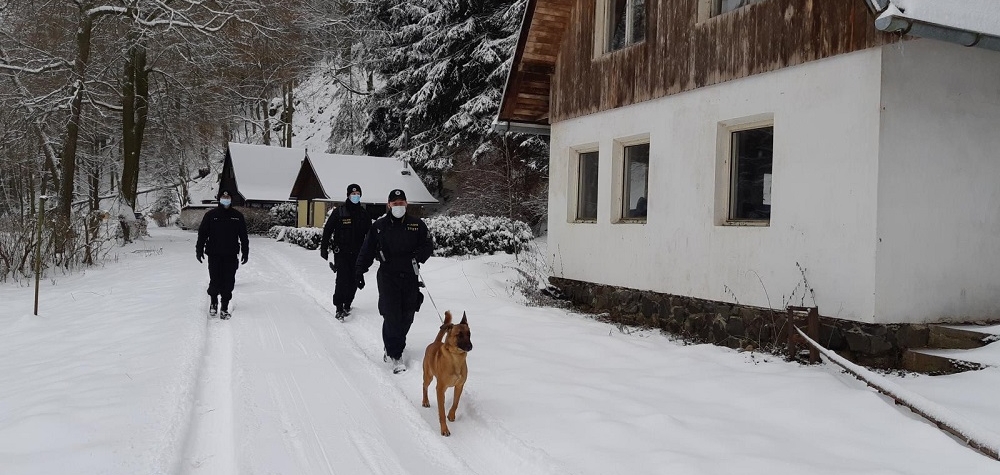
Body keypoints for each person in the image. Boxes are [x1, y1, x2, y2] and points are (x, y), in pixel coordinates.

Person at [355, 188, 434, 374]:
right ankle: (394, 353)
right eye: (395, 203)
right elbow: (367, 249)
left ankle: (394, 343)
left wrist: (418, 257)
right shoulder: (379, 226)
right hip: (388, 276)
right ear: (389, 205)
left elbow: (428, 244)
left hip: (410, 276)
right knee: (391, 315)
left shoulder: (417, 224)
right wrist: (359, 270)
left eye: (401, 203)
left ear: (406, 204)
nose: (398, 206)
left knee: (407, 315)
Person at [320, 183, 373, 320]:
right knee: (342, 279)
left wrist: (373, 251)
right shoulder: (339, 212)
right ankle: (339, 307)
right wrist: (324, 248)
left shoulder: (363, 214)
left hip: (358, 253)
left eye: (357, 194)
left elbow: (371, 235)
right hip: (342, 253)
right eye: (353, 194)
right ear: (348, 195)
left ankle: (348, 303)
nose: (355, 196)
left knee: (355, 279)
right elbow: (328, 230)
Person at [196, 190, 249, 320]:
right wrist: (199, 249)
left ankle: (224, 307)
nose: (226, 199)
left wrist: (245, 251)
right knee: (215, 280)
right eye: (223, 197)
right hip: (214, 254)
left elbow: (243, 236)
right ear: (219, 199)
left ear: (231, 199)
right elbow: (202, 234)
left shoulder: (237, 216)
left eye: (228, 197)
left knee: (228, 282)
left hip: (231, 254)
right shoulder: (211, 215)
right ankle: (214, 302)